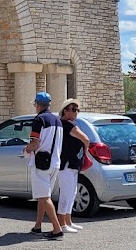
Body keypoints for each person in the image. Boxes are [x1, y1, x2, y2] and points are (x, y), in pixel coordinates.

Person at [23, 91, 64, 239]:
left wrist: (26, 149)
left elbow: (35, 143)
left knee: (44, 197)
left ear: (38, 105)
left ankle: (57, 229)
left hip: (41, 163)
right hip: (55, 162)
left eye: (35, 104)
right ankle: (38, 226)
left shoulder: (39, 120)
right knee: (43, 196)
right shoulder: (57, 120)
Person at [57, 98, 90, 233]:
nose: (76, 112)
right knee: (66, 193)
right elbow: (86, 139)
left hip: (72, 164)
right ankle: (62, 223)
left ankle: (68, 221)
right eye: (72, 109)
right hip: (67, 163)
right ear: (65, 111)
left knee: (72, 192)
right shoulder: (68, 125)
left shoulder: (67, 125)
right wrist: (86, 148)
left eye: (77, 110)